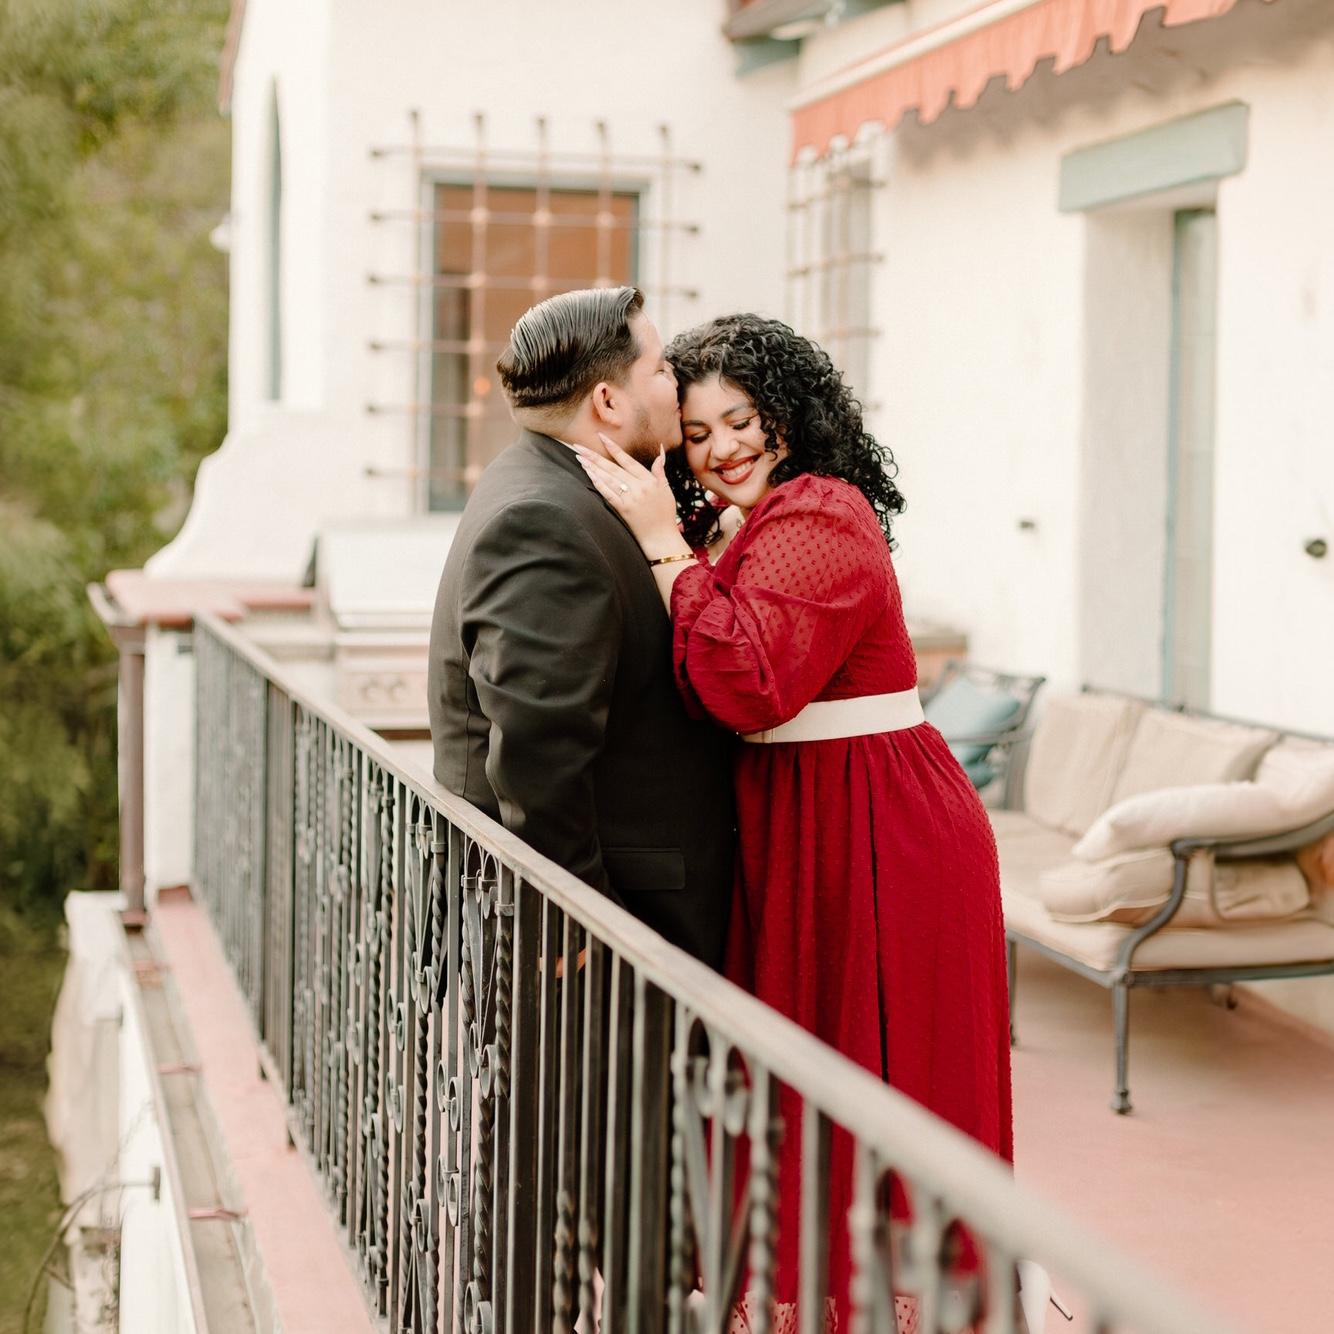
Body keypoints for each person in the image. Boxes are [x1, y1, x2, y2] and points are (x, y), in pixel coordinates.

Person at [576, 313, 1014, 1330]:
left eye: (743, 419)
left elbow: (749, 679)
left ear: (792, 414)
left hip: (880, 828)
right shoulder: (749, 526)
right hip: (809, 819)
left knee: (883, 1076)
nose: (722, 447)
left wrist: (659, 542)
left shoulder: (820, 511)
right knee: (809, 1077)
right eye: (697, 432)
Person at [427, 286, 736, 967]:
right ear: (608, 401)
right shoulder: (546, 520)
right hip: (606, 928)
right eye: (661, 369)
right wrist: (573, 925)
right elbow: (538, 753)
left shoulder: (547, 480)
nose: (678, 385)